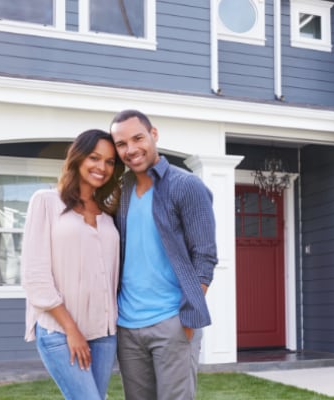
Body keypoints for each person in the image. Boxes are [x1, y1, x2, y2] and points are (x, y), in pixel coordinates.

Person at [109, 109, 218, 400]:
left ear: (153, 134)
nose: (131, 149)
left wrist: (187, 315)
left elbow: (205, 257)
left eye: (138, 138)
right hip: (128, 325)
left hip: (172, 321)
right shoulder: (121, 191)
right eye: (121, 144)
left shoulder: (186, 186)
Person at [21, 129, 124, 400]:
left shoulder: (109, 214)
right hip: (60, 331)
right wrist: (72, 330)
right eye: (94, 157)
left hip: (104, 334)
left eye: (110, 161)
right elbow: (35, 276)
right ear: (78, 158)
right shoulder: (45, 202)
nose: (102, 167)